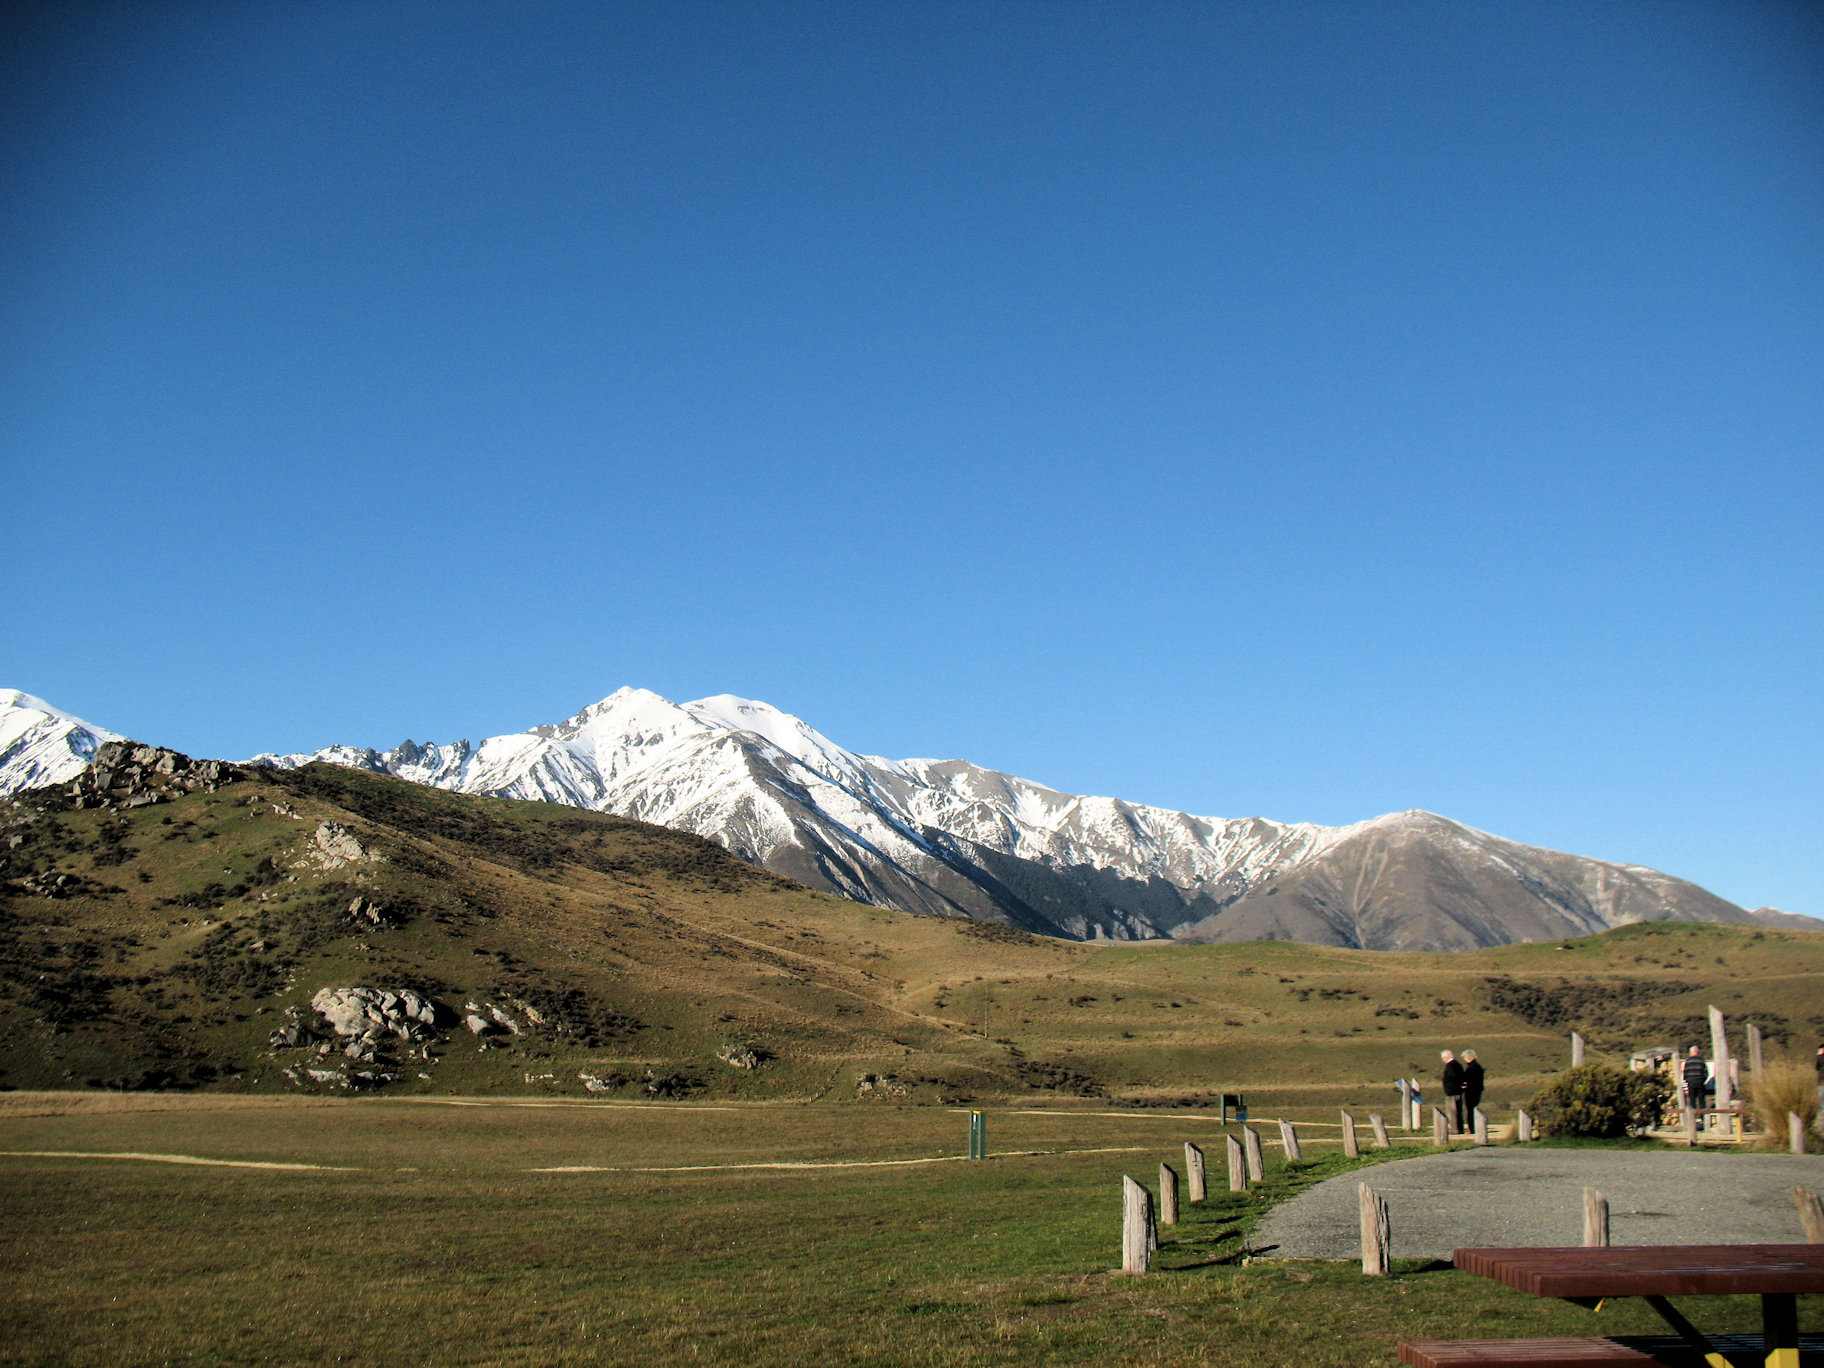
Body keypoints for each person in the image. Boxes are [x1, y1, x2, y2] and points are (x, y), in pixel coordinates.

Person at [1441, 1050, 1466, 1133]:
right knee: (1458, 1111)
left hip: (1452, 1092)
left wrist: (1449, 1087)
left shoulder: (1451, 1065)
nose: (1442, 1060)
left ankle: (1455, 1129)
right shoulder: (1458, 1064)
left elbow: (1453, 1077)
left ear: (1446, 1057)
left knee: (1452, 1112)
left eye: (1443, 1058)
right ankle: (1459, 1128)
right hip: (1457, 1091)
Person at [1682, 1045, 1710, 1116]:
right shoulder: (1701, 1060)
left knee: (1692, 1099)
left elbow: (1685, 1073)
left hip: (1690, 1082)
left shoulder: (1688, 1061)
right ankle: (1702, 1115)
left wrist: (1687, 1081)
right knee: (1701, 1099)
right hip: (1700, 1081)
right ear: (1697, 1052)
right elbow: (1706, 1073)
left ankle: (1692, 1116)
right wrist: (1703, 1080)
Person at [1461, 1049, 1485, 1123]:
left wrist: (1464, 1086)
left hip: (1471, 1092)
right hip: (1476, 1090)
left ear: (1468, 1058)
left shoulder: (1472, 1068)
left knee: (1471, 1110)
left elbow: (1470, 1080)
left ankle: (1472, 1127)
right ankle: (1473, 1126)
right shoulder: (1477, 1066)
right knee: (1472, 1109)